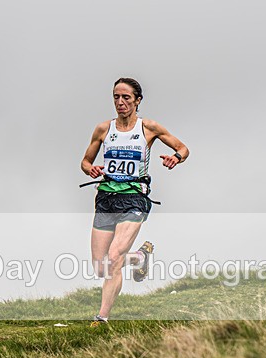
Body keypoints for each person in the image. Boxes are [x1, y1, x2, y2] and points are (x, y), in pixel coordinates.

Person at [80, 77, 189, 326]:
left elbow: (182, 148)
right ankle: (139, 257)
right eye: (116, 97)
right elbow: (85, 161)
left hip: (134, 198)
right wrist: (91, 170)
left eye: (126, 97)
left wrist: (176, 158)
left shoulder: (148, 128)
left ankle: (102, 318)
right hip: (106, 197)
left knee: (115, 255)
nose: (120, 102)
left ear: (137, 101)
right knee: (100, 267)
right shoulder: (103, 129)